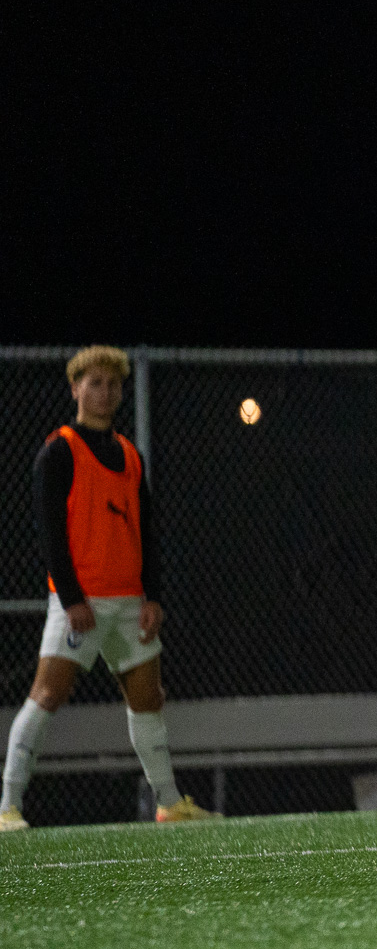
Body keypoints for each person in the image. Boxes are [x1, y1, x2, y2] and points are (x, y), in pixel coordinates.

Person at [2, 346, 217, 829]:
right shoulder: (58, 451)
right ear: (75, 388)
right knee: (47, 695)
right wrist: (73, 598)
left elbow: (147, 532)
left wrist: (153, 597)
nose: (105, 392)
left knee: (148, 698)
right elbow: (51, 533)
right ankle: (6, 807)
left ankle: (169, 803)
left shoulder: (129, 455)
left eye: (113, 384)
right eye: (94, 383)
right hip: (80, 602)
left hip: (129, 603)